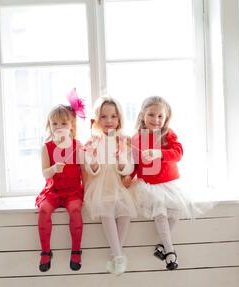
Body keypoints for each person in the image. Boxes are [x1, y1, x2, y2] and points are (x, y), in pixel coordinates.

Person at [124, 96, 198, 271]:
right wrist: (129, 175)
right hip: (148, 184)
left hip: (169, 182)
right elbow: (136, 162)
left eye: (160, 116)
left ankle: (162, 245)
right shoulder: (136, 138)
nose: (156, 120)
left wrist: (158, 153)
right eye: (151, 115)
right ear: (142, 115)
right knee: (159, 208)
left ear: (166, 118)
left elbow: (178, 153)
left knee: (176, 210)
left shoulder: (168, 134)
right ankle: (170, 252)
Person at [83, 95, 137, 275]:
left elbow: (130, 167)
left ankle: (116, 254)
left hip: (119, 182)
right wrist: (94, 164)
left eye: (113, 116)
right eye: (104, 117)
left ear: (119, 118)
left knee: (125, 212)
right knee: (106, 209)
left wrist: (123, 165)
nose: (109, 121)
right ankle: (118, 255)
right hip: (101, 184)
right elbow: (91, 168)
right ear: (97, 119)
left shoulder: (124, 140)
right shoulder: (93, 141)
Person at [35, 89, 86, 272]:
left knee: (74, 210)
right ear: (49, 125)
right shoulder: (46, 147)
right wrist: (53, 169)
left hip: (72, 191)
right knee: (43, 211)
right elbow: (45, 174)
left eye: (63, 123)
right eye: (54, 123)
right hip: (54, 191)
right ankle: (46, 251)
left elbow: (84, 172)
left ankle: (76, 250)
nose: (59, 126)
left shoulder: (77, 146)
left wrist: (87, 190)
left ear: (71, 125)